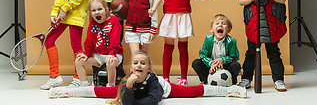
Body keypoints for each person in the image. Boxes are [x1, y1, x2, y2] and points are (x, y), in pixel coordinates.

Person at [48, 50, 247, 103]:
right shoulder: (128, 80)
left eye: (143, 63)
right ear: (131, 68)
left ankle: (230, 90)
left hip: (165, 90)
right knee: (102, 92)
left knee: (192, 91)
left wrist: (134, 100)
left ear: (149, 68)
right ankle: (64, 91)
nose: (139, 66)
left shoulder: (154, 80)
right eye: (136, 63)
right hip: (134, 87)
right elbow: (111, 96)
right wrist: (128, 88)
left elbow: (152, 100)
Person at [148, 0, 218, 86]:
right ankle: (166, 78)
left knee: (182, 46)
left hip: (184, 14)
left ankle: (183, 78)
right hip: (169, 14)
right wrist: (154, 8)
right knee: (168, 46)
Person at [41, 0, 95, 90]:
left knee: (76, 46)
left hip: (76, 15)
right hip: (62, 15)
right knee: (49, 39)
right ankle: (54, 76)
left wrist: (65, 8)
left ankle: (79, 77)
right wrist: (55, 12)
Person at [237, 0, 290, 92]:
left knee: (273, 52)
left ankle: (278, 80)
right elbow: (241, 1)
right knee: (251, 53)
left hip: (271, 23)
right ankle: (246, 79)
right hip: (254, 23)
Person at [75, 0, 123, 87]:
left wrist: (112, 53)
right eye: (93, 10)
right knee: (78, 60)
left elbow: (115, 40)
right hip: (99, 55)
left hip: (115, 54)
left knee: (110, 62)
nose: (97, 12)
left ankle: (110, 86)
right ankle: (83, 85)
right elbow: (89, 40)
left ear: (106, 9)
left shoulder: (113, 20)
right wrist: (86, 53)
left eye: (99, 9)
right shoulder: (92, 23)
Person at [192, 14, 241, 85]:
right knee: (196, 63)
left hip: (225, 66)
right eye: (217, 23)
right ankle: (205, 81)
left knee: (236, 65)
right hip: (211, 66)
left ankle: (231, 82)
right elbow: (202, 55)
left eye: (223, 24)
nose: (220, 25)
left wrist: (223, 60)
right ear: (211, 29)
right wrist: (211, 63)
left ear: (228, 30)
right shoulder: (208, 40)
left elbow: (234, 57)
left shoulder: (231, 41)